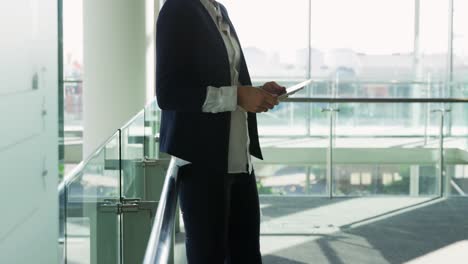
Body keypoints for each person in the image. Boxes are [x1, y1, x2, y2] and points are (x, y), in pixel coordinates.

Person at [155, 0, 285, 263]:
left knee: (247, 254)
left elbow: (224, 77)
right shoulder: (177, 8)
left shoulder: (218, 10)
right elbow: (169, 94)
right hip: (202, 158)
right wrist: (238, 97)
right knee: (209, 254)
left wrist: (257, 92)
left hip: (238, 156)